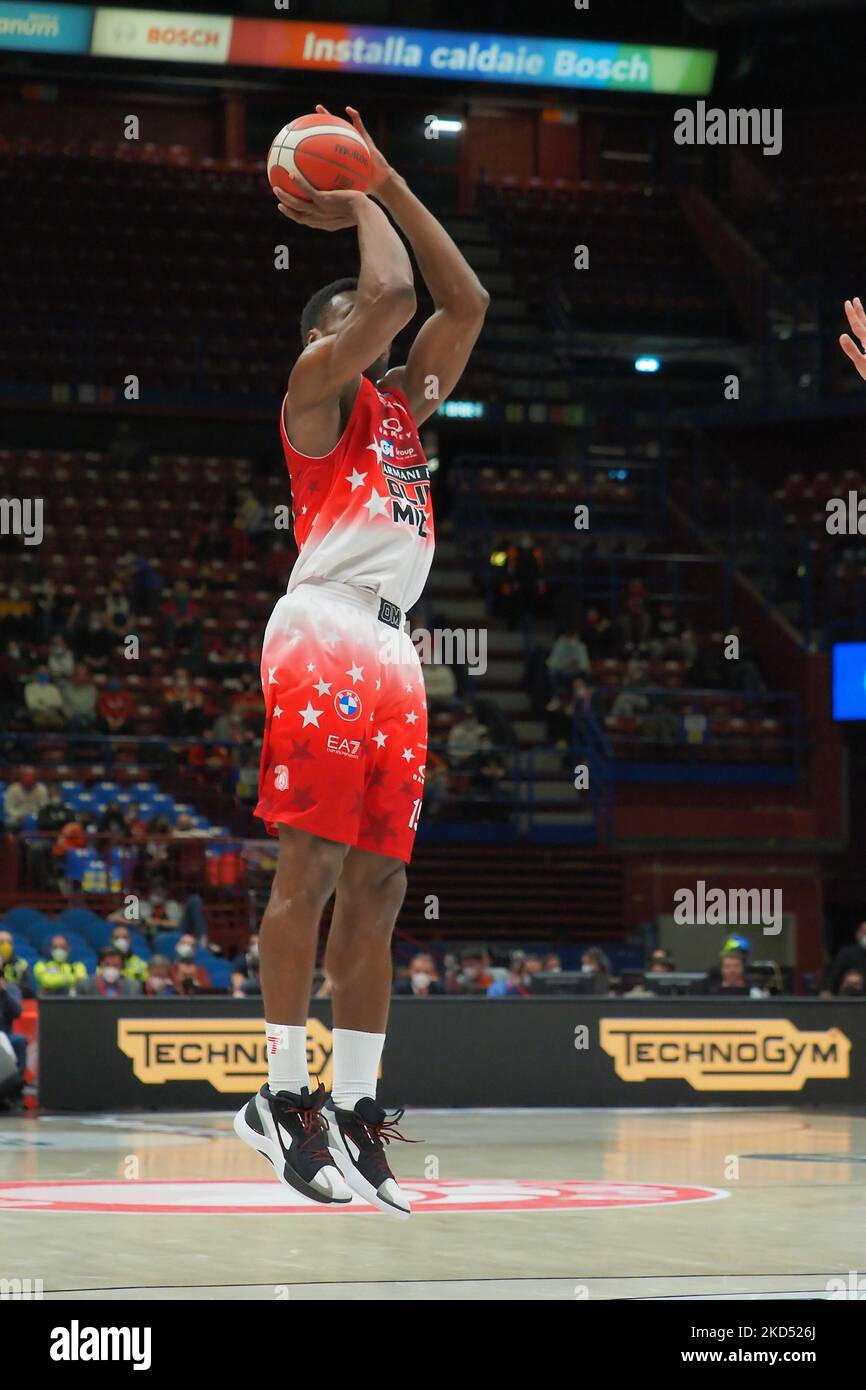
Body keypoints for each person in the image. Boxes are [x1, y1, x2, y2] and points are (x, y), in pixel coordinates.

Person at [234, 104, 489, 1218]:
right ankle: (281, 1095)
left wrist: (390, 185)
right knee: (313, 874)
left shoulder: (405, 412)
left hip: (395, 647)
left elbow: (462, 300)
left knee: (379, 887)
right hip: (327, 622)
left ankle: (355, 1105)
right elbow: (387, 297)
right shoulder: (317, 393)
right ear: (325, 339)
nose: (378, 334)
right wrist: (357, 198)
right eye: (350, 326)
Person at [77, 948, 143, 998]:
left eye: (115, 965)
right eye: (107, 965)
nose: (111, 968)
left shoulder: (134, 987)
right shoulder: (85, 986)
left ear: (122, 966)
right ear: (100, 965)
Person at [830, 921, 866, 994]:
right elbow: (835, 976)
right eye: (864, 933)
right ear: (857, 935)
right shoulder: (847, 954)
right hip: (851, 998)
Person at [0, 931, 33, 998]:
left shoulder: (21, 963)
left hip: (14, 1002)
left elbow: (28, 989)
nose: (6, 946)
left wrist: (6, 988)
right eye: (1, 943)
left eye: (9, 943)